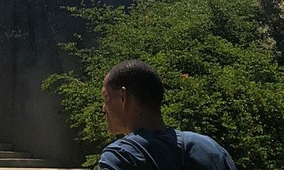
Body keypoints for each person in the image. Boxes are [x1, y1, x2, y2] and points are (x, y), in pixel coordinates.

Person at [99, 60, 237, 169]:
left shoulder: (121, 157)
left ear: (123, 97)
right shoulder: (210, 148)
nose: (104, 108)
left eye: (106, 97)